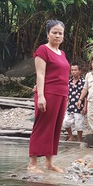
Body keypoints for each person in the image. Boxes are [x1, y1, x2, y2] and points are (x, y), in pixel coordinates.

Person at [27, 20, 71, 173]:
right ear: (48, 34)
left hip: (62, 94)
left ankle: (49, 162)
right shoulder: (43, 50)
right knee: (42, 126)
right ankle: (32, 163)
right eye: (54, 32)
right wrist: (41, 96)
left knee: (55, 128)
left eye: (60, 33)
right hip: (49, 93)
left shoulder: (62, 53)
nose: (57, 35)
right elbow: (40, 74)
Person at [64, 63, 86, 142]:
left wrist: (85, 107)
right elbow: (67, 95)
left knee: (78, 125)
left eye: (75, 70)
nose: (73, 72)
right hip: (70, 107)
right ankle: (71, 136)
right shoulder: (69, 82)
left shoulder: (84, 82)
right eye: (72, 70)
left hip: (80, 107)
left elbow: (86, 96)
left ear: (80, 71)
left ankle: (80, 140)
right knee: (65, 123)